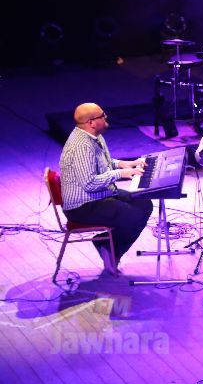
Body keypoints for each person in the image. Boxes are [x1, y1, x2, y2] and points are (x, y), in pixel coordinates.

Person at [59, 103, 153, 274]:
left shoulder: (94, 136)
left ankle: (108, 246)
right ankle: (106, 246)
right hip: (82, 206)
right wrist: (121, 173)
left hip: (98, 195)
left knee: (144, 203)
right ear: (91, 122)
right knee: (134, 216)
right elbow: (89, 183)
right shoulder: (81, 146)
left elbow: (103, 162)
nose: (106, 117)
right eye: (102, 115)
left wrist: (123, 164)